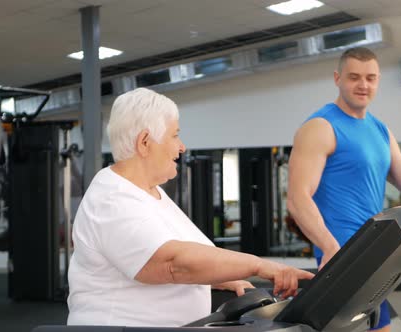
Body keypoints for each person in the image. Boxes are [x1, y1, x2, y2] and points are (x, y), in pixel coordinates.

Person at [67, 88, 314, 327]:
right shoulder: (113, 199)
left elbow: (186, 257)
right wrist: (259, 265)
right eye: (175, 135)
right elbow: (172, 263)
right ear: (144, 142)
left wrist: (228, 279)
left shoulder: (150, 193)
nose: (182, 146)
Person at [286, 47, 401, 332]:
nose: (363, 85)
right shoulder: (320, 127)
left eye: (371, 78)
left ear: (378, 81)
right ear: (337, 78)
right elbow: (298, 198)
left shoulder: (380, 130)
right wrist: (329, 248)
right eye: (354, 77)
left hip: (377, 255)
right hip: (344, 256)